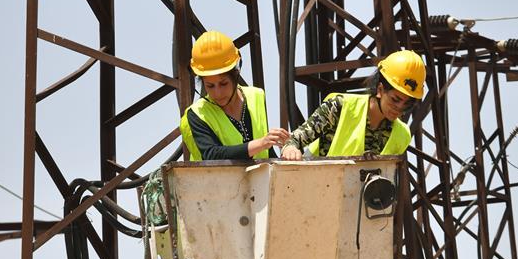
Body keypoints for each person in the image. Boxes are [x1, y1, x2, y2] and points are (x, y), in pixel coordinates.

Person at [280, 50, 426, 160]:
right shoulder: (340, 107)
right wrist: (290, 149)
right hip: (317, 189)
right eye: (395, 99)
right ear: (380, 89)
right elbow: (293, 140)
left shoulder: (402, 135)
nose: (399, 108)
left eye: (407, 104)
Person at [180, 30, 289, 161]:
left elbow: (265, 152)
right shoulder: (197, 114)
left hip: (260, 179)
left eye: (223, 83)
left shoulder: (256, 97)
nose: (217, 93)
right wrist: (261, 143)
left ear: (236, 74)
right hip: (216, 181)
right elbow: (212, 154)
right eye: (210, 86)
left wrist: (285, 151)